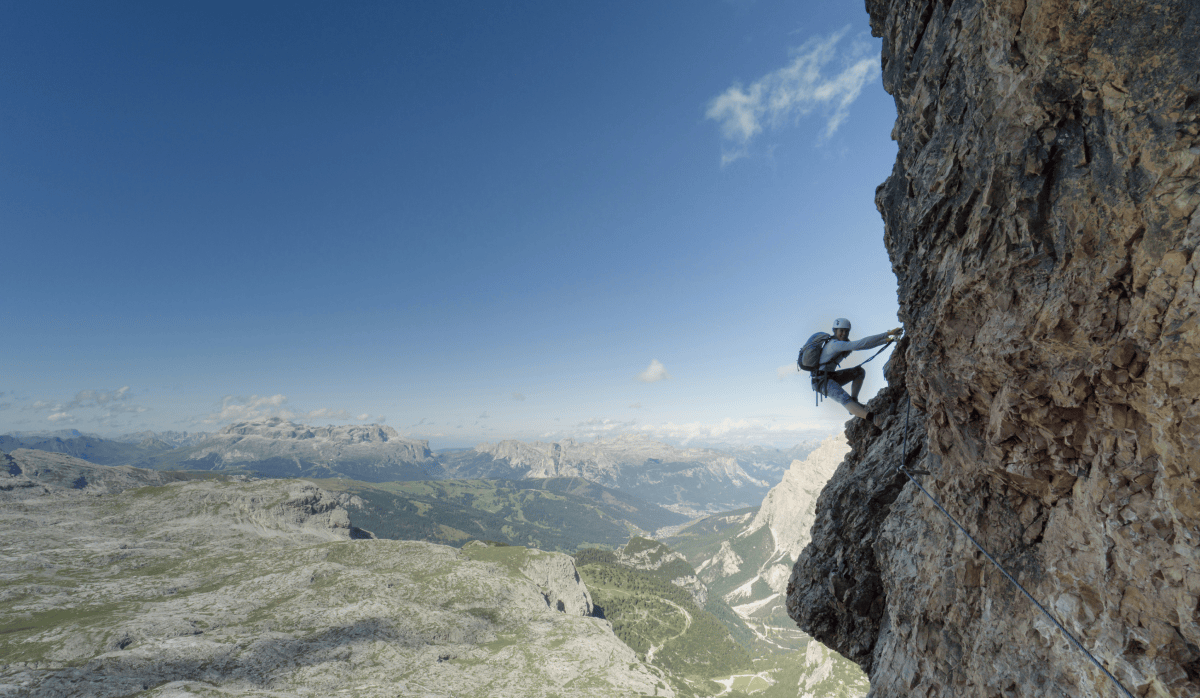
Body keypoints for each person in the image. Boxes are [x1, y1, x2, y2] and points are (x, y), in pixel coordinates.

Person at [813, 318, 903, 428]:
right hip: (821, 381)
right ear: (834, 331)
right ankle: (876, 419)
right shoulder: (834, 344)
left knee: (859, 372)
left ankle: (854, 402)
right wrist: (888, 333)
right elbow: (861, 344)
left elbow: (865, 345)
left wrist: (888, 340)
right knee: (844, 398)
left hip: (830, 377)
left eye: (846, 331)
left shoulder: (842, 343)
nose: (844, 333)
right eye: (841, 330)